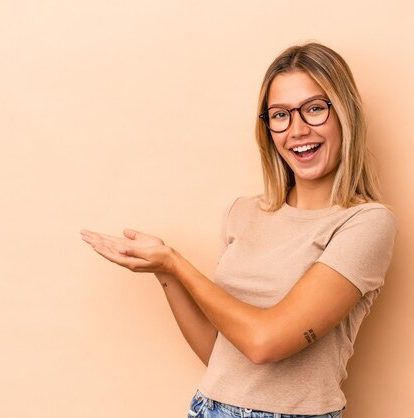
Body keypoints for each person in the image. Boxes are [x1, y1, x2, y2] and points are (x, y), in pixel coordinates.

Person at [80, 42, 397, 418]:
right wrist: (164, 272)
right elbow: (221, 355)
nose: (296, 130)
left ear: (344, 114)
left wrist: (178, 263)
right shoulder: (242, 212)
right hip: (208, 408)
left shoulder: (366, 223)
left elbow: (264, 343)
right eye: (280, 115)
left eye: (314, 109)